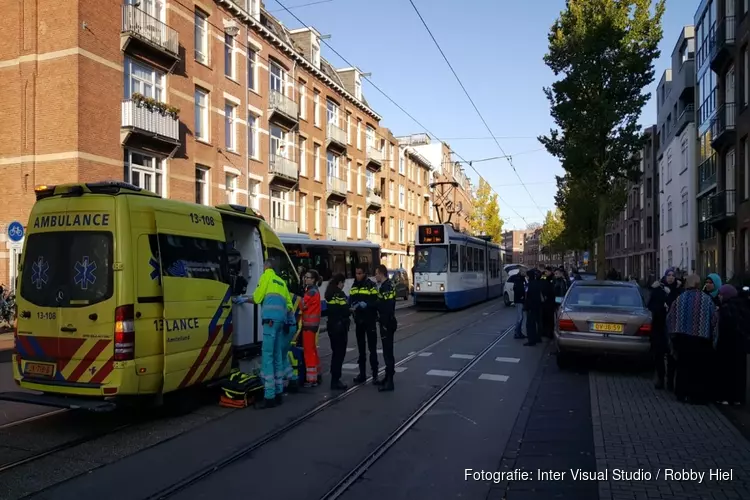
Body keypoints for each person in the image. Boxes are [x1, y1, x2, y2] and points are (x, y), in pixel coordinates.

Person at [235, 258, 293, 409]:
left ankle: (269, 396)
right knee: (277, 356)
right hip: (280, 322)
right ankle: (279, 391)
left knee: (267, 356)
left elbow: (257, 297)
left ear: (267, 266)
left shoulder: (265, 277)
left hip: (269, 322)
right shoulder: (281, 282)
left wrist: (243, 299)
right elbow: (289, 305)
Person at [666, 274, 718, 404]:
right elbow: (714, 320)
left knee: (683, 366)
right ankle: (696, 396)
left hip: (682, 338)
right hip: (701, 339)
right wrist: (713, 337)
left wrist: (672, 336)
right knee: (699, 368)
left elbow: (670, 318)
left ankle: (681, 394)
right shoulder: (707, 300)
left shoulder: (679, 299)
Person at [714, 283, 750, 405]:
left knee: (726, 371)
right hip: (741, 346)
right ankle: (738, 398)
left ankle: (725, 397)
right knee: (739, 372)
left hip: (727, 345)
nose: (719, 296)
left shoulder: (725, 309)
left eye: (721, 294)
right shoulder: (743, 307)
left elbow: (723, 328)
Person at [647, 268, 682, 390]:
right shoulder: (658, 289)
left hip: (674, 328)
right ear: (665, 276)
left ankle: (671, 381)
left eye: (673, 275)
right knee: (659, 354)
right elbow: (650, 305)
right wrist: (661, 307)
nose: (671, 277)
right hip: (659, 326)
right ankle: (660, 378)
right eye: (669, 275)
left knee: (672, 354)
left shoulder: (678, 290)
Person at [349, 263, 379, 385]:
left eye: (360, 273)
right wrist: (353, 306)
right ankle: (362, 374)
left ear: (365, 273)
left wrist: (365, 305)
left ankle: (375, 375)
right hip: (359, 321)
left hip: (370, 320)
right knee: (361, 349)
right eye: (356, 273)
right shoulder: (354, 285)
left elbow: (375, 301)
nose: (357, 276)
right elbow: (351, 299)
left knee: (372, 349)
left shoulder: (371, 286)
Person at [325, 273, 350, 391]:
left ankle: (334, 378)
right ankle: (336, 380)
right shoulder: (339, 294)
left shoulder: (329, 294)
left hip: (331, 326)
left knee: (335, 353)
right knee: (339, 354)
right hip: (340, 327)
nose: (343, 285)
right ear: (339, 283)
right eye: (343, 283)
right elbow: (345, 310)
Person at [374, 265, 397, 392]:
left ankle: (390, 382)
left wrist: (383, 321)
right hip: (387, 322)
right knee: (387, 351)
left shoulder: (386, 287)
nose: (375, 276)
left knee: (388, 353)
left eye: (376, 273)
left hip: (387, 323)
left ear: (381, 274)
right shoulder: (385, 286)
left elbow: (387, 307)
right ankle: (388, 377)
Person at [300, 270, 322, 388]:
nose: (306, 279)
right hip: (313, 325)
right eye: (305, 277)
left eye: (308, 278)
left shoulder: (310, 292)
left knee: (308, 352)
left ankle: (311, 380)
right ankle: (317, 374)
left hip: (308, 325)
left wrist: (299, 298)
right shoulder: (315, 291)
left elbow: (302, 305)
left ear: (313, 280)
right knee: (313, 350)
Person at [523, 269, 544, 347]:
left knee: (530, 324)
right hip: (538, 306)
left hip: (531, 307)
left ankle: (531, 340)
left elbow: (527, 297)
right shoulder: (538, 283)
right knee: (538, 322)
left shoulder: (529, 285)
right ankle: (538, 338)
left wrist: (526, 307)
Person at [508, 269, 527, 339]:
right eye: (524, 272)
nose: (525, 273)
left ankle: (519, 332)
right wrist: (521, 296)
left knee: (520, 317)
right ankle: (517, 333)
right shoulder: (519, 279)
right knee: (520, 317)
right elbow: (518, 289)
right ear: (521, 272)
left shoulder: (521, 279)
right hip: (519, 300)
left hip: (520, 300)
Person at [540, 267, 556, 339]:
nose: (546, 273)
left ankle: (550, 332)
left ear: (550, 272)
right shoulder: (543, 277)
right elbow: (542, 284)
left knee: (550, 318)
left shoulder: (553, 277)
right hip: (545, 300)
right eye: (545, 272)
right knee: (545, 317)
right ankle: (545, 331)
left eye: (547, 272)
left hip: (550, 300)